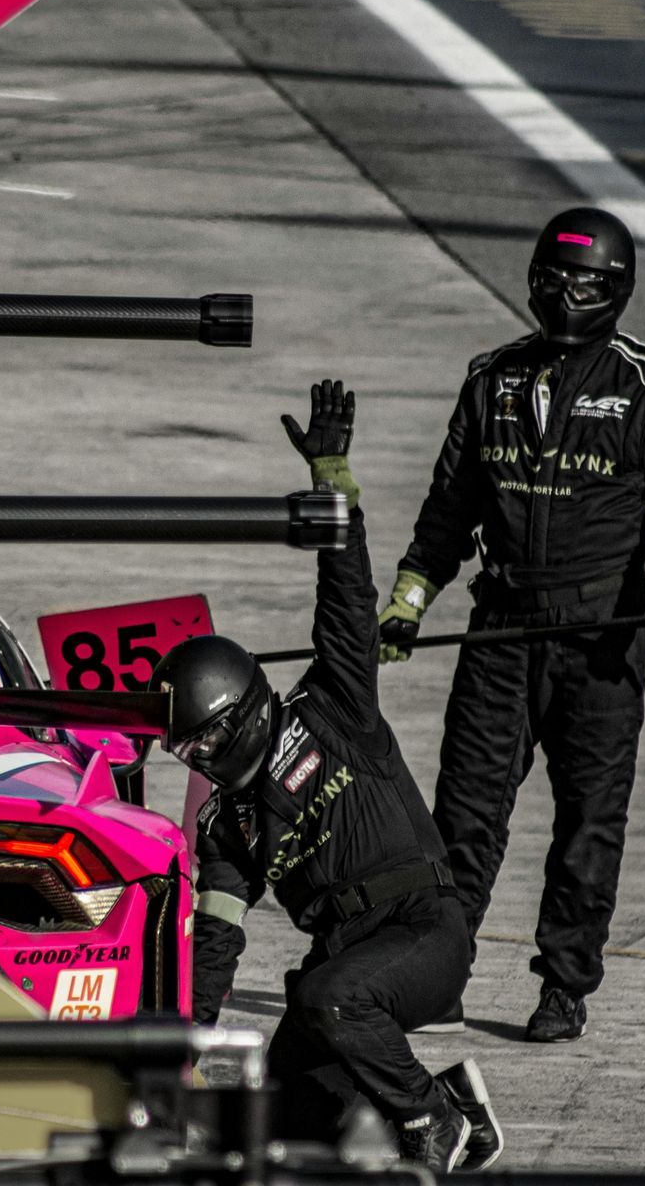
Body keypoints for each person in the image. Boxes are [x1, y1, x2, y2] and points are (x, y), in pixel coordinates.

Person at [377, 207, 645, 1043]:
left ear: (615, 290)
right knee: (461, 819)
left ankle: (566, 985)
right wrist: (406, 600)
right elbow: (447, 509)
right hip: (499, 632)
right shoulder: (492, 380)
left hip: (600, 638)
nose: (566, 293)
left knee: (588, 818)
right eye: (553, 278)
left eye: (584, 283)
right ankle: (438, 975)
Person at [163, 381, 501, 1172]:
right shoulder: (227, 828)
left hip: (423, 931)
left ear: (242, 714)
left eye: (204, 742)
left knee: (329, 1000)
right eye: (186, 754)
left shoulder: (334, 708)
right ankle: (457, 1109)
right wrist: (183, 1043)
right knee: (286, 1109)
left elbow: (347, 601)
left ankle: (432, 1118)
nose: (199, 762)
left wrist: (331, 483)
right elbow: (214, 943)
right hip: (342, 959)